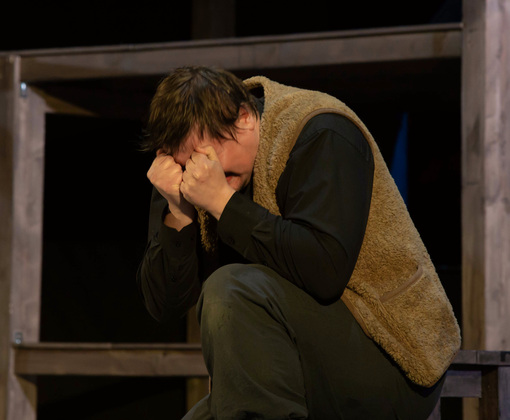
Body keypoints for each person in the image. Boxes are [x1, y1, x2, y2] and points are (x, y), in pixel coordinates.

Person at [136, 66, 460, 419]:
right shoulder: (188, 178)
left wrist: (222, 203)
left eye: (207, 157)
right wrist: (178, 213)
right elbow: (164, 305)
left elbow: (324, 271)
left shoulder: (320, 130)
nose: (201, 174)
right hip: (282, 363)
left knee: (230, 287)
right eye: (187, 165)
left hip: (392, 356)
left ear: (244, 118)